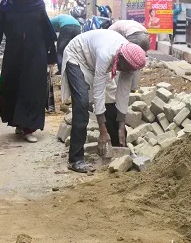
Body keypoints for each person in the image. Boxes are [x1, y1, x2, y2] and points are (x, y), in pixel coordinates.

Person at [61, 30, 147, 173]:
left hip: (96, 62)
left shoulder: (129, 62)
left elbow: (123, 94)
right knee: (82, 103)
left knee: (111, 99)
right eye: (123, 68)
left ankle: (117, 148)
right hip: (78, 56)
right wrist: (102, 130)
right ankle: (75, 159)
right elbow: (98, 92)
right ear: (120, 60)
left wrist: (121, 125)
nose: (124, 71)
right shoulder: (107, 54)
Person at [0, 0, 57, 143]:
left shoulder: (37, 5)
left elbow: (47, 31)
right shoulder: (6, 6)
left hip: (35, 55)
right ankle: (18, 122)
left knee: (32, 90)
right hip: (14, 55)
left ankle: (29, 128)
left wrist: (52, 57)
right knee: (14, 88)